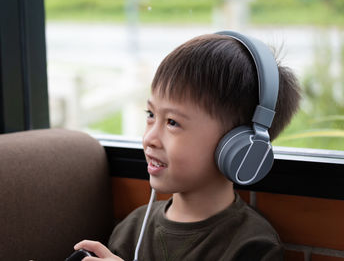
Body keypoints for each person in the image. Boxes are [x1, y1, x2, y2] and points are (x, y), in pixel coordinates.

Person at [73, 32, 301, 260]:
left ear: (238, 147)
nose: (149, 138)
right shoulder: (132, 229)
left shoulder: (252, 246)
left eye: (172, 122)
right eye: (150, 114)